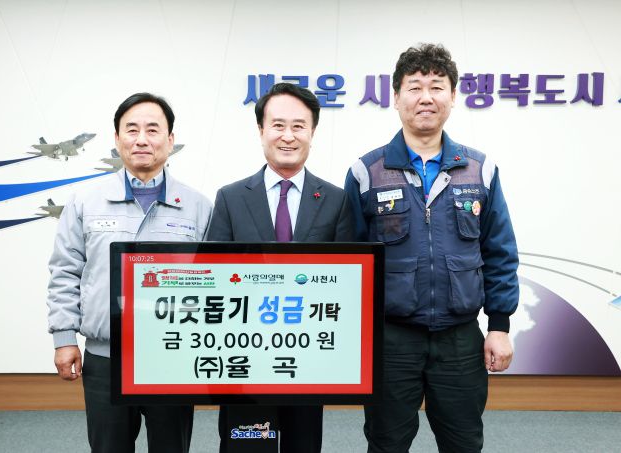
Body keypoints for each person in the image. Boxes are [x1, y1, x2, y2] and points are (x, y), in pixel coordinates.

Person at [344, 44, 519, 452]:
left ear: (453, 96)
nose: (426, 97)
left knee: (463, 443)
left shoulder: (480, 170)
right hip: (390, 340)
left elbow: (499, 252)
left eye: (437, 87)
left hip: (459, 339)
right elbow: (349, 261)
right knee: (386, 443)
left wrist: (499, 326)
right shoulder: (366, 172)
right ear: (396, 97)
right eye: (415, 87)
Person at [46, 92, 212, 453]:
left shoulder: (198, 207)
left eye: (153, 130)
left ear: (170, 139)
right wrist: (64, 338)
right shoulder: (85, 202)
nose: (141, 139)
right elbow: (65, 272)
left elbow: (214, 282)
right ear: (117, 138)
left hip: (173, 358)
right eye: (132, 129)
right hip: (106, 359)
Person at [207, 82, 354, 453]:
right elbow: (211, 277)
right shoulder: (231, 198)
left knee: (302, 446)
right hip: (245, 361)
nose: (288, 136)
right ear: (261, 130)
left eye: (299, 126)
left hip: (308, 359)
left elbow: (347, 282)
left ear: (312, 132)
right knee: (247, 445)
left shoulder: (335, 200)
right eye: (278, 125)